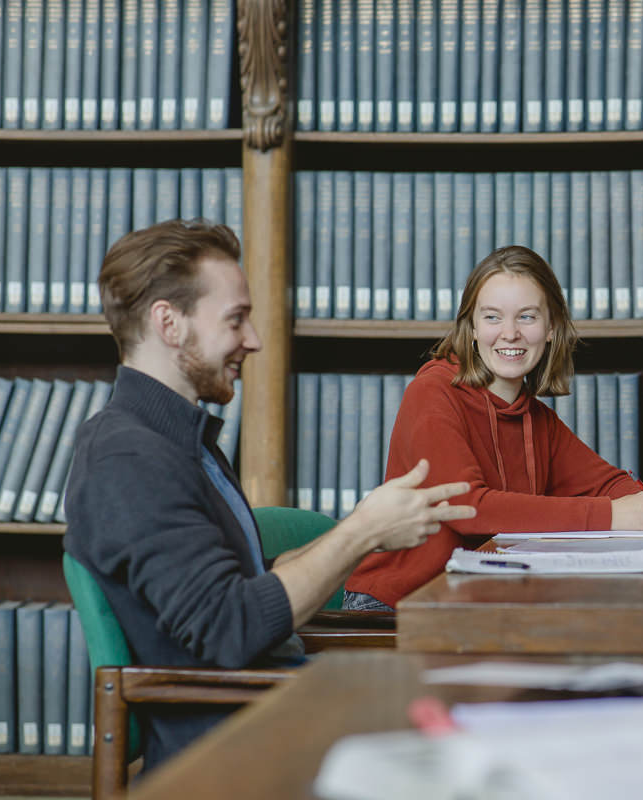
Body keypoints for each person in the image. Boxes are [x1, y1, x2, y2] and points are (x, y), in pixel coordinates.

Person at [63, 220, 475, 773]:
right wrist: (363, 533)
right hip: (234, 748)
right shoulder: (128, 459)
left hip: (278, 711)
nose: (254, 339)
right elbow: (230, 628)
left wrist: (363, 524)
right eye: (235, 319)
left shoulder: (180, 443)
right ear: (169, 322)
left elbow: (247, 582)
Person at [344, 246, 643, 610]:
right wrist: (611, 514)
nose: (510, 333)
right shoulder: (432, 394)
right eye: (492, 317)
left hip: (476, 600)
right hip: (395, 604)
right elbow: (468, 507)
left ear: (551, 329)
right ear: (471, 327)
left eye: (527, 317)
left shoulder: (535, 418)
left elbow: (609, 484)